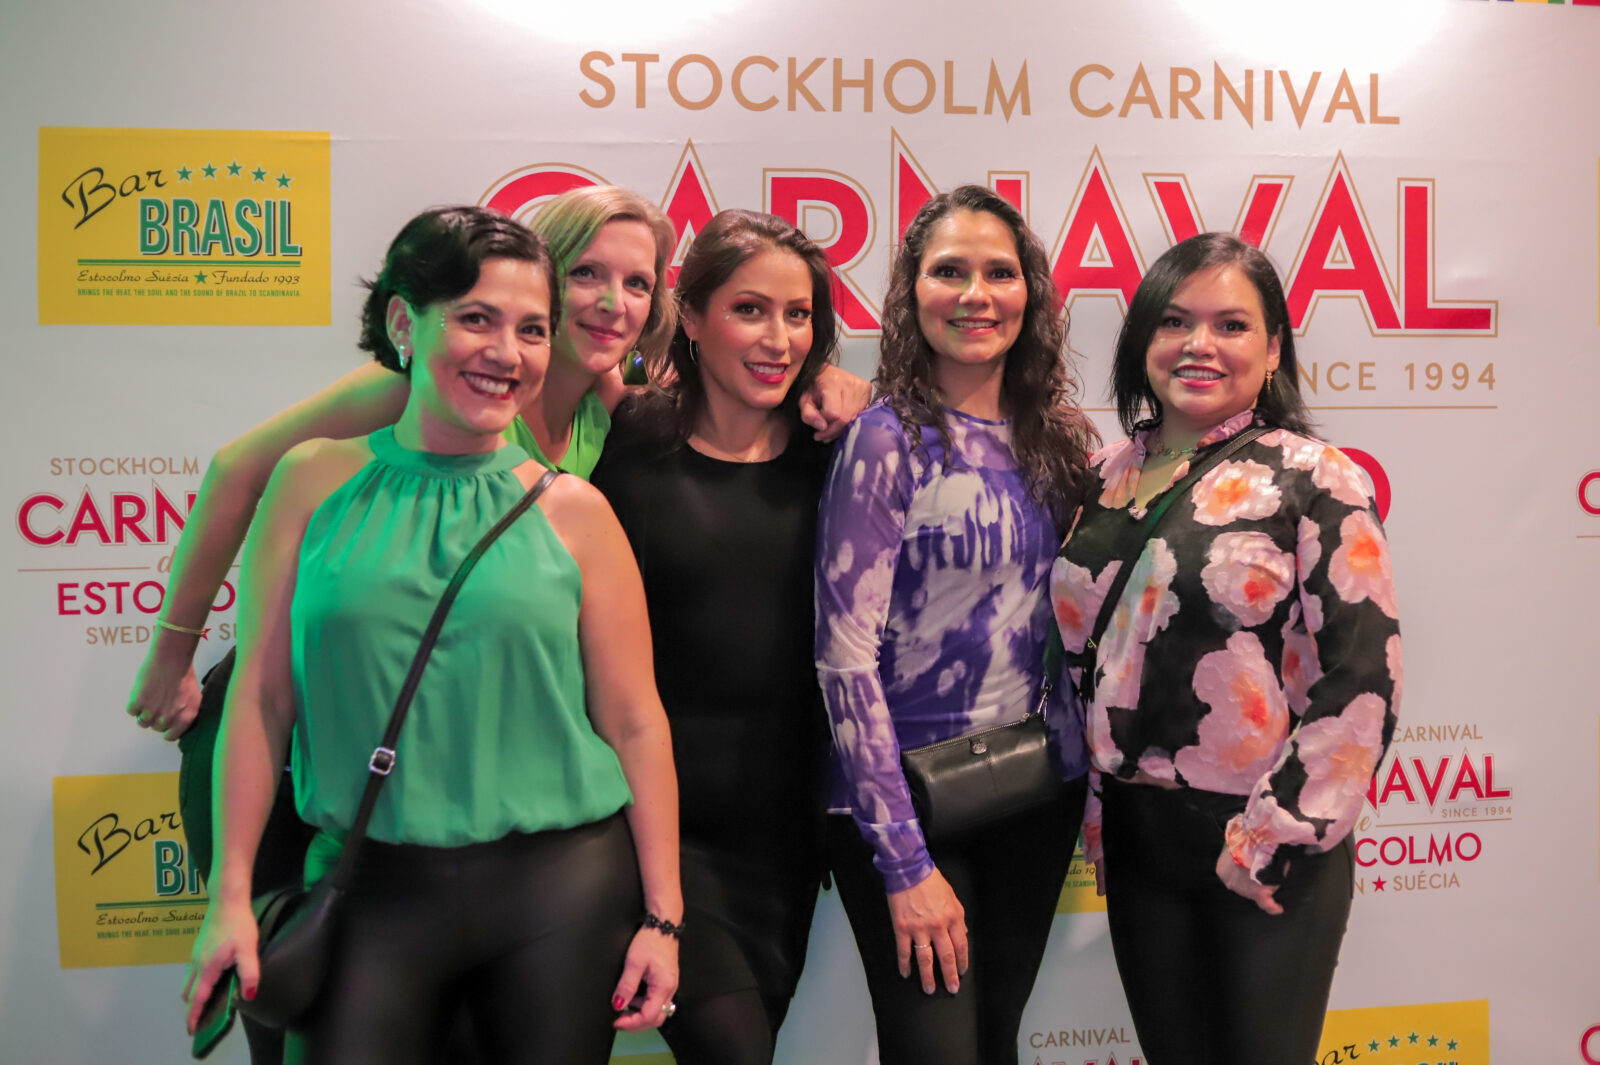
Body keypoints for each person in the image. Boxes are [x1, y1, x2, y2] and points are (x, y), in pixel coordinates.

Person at [179, 206, 681, 1064]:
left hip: (562, 893)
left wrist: (665, 917)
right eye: (477, 318)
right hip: (367, 882)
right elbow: (261, 700)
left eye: (531, 329)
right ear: (404, 323)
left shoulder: (578, 510)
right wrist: (230, 893)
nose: (507, 353)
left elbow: (635, 723)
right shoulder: (311, 480)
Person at [1051, 232, 1401, 1065]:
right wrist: (1099, 814)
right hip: (1137, 838)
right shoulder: (1100, 476)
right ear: (1143, 339)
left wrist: (1276, 832)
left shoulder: (1315, 476)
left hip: (1262, 833)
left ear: (1273, 348)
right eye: (1174, 321)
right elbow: (1086, 663)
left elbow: (1363, 676)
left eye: (1231, 325)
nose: (1199, 344)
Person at [814, 185, 1098, 1065]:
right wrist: (904, 860)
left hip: (1031, 791)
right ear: (913, 292)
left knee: (995, 1042)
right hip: (902, 802)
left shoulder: (1060, 441)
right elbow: (844, 660)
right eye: (950, 271)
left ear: (1030, 294)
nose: (977, 294)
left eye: (999, 272)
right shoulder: (886, 439)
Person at [591, 209, 837, 1065]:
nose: (779, 338)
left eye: (798, 314)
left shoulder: (835, 457)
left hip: (784, 839)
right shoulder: (625, 446)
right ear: (690, 318)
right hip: (654, 831)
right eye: (750, 309)